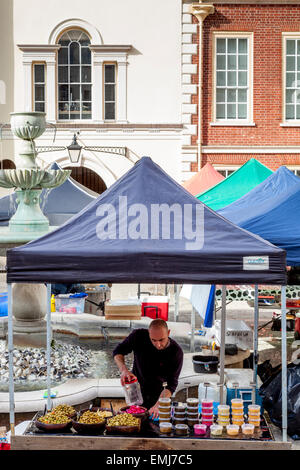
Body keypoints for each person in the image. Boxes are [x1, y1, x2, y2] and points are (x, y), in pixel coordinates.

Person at [113, 319, 183, 419]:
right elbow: (117, 351)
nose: (158, 345)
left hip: (158, 396)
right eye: (153, 340)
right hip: (135, 392)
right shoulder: (138, 336)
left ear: (168, 333)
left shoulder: (176, 352)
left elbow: (171, 385)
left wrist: (158, 404)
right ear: (149, 334)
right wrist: (124, 370)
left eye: (161, 340)